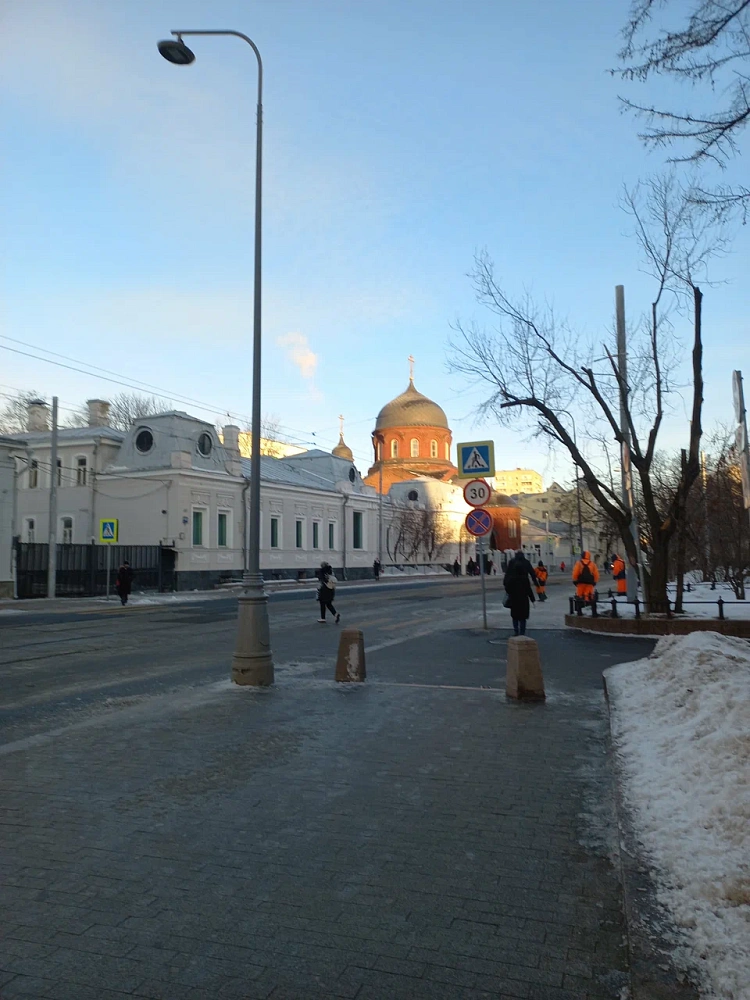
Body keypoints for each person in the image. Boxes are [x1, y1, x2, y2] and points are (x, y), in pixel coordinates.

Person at [503, 551, 536, 635]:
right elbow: (529, 589)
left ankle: (516, 631)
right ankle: (522, 632)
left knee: (515, 616)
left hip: (514, 599)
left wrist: (507, 588)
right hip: (523, 599)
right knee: (523, 617)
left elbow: (507, 584)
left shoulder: (512, 568)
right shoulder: (525, 577)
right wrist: (533, 599)